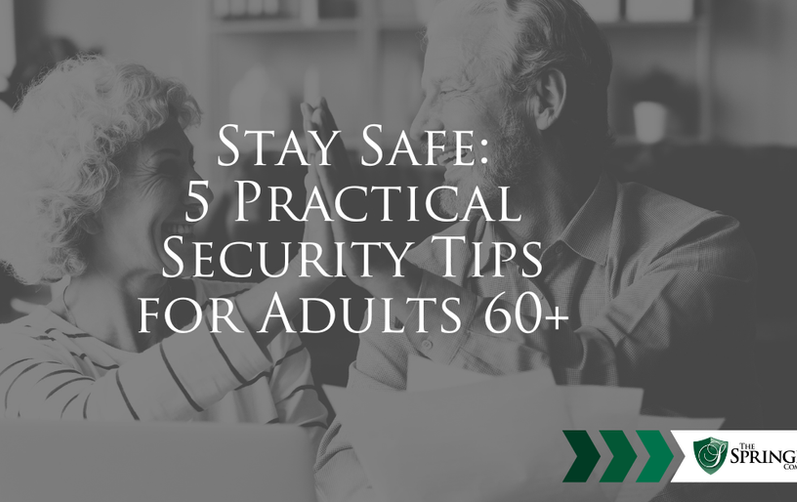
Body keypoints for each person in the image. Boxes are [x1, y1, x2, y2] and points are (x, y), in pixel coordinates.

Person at [309, 0, 761, 500]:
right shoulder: (422, 269)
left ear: (544, 99)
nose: (419, 128)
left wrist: (394, 283)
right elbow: (342, 464)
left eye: (448, 90)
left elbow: (594, 381)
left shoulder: (699, 249)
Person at [0, 56, 330, 446]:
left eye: (194, 168)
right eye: (167, 170)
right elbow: (82, 433)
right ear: (85, 199)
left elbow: (314, 478)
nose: (203, 195)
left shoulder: (264, 326)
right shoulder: (12, 358)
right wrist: (303, 273)